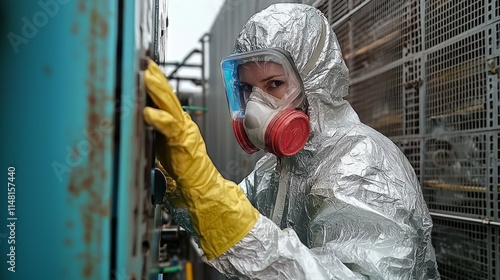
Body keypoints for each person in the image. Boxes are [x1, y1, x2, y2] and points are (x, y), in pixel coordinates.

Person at [143, 3, 440, 279]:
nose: (256, 104)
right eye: (247, 88)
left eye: (274, 84)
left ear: (315, 82)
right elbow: (228, 232)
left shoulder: (362, 162)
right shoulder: (274, 169)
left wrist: (208, 193)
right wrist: (183, 184)